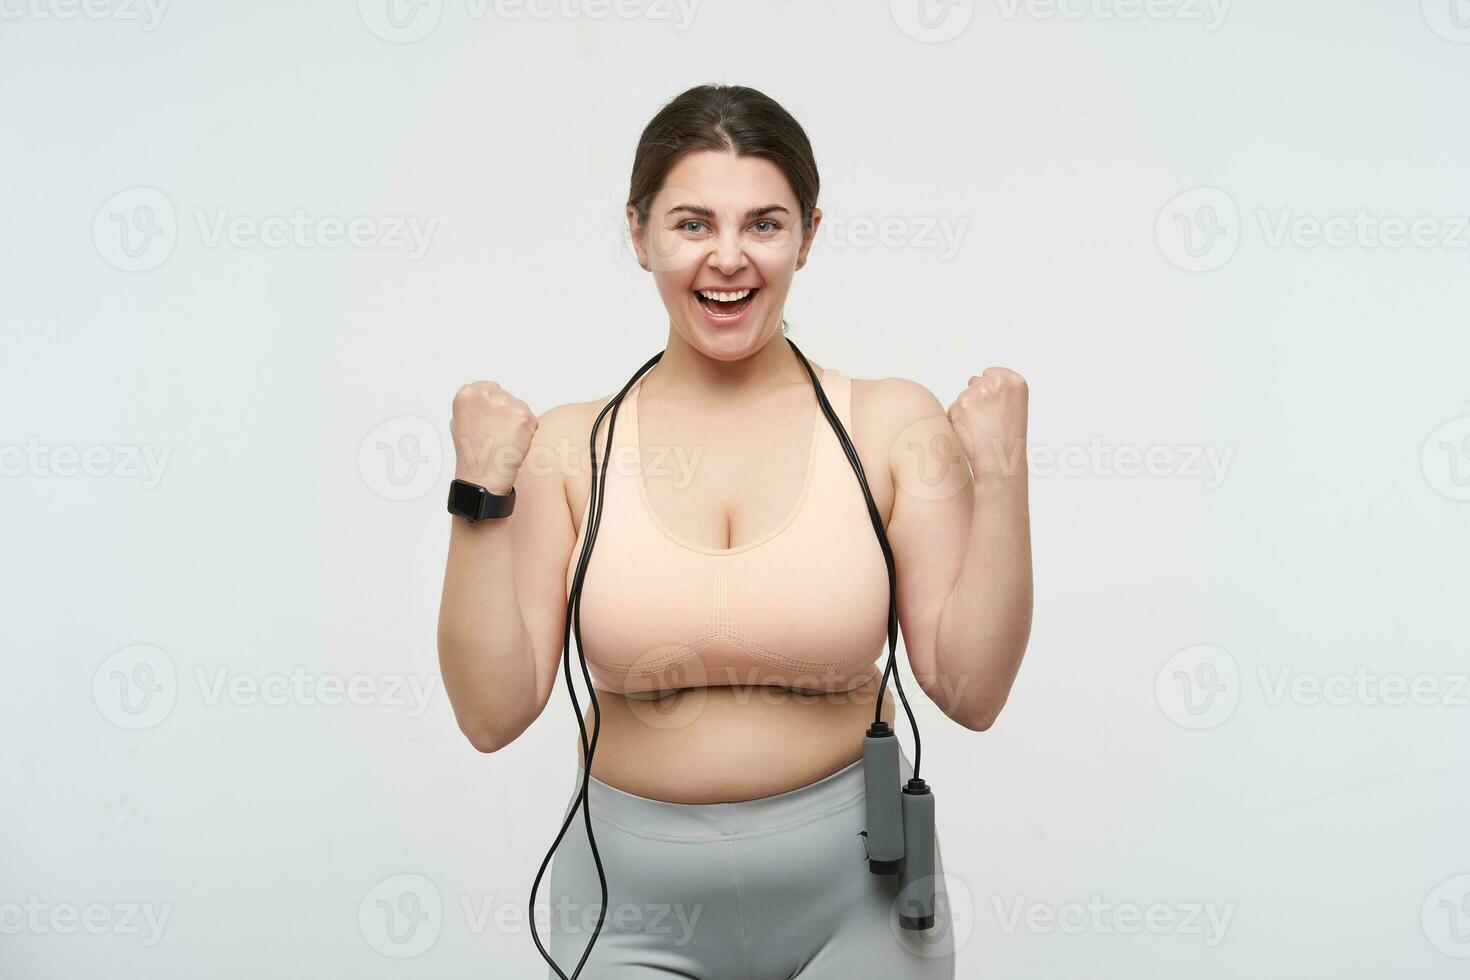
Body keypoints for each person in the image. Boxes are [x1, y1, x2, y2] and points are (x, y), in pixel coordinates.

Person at [437, 83, 1034, 979]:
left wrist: (1003, 474)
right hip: (629, 907)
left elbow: (972, 690)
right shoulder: (567, 445)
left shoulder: (889, 424)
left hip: (859, 895)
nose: (728, 258)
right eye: (691, 225)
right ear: (638, 234)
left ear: (809, 233)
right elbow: (492, 714)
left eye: (764, 223)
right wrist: (477, 491)